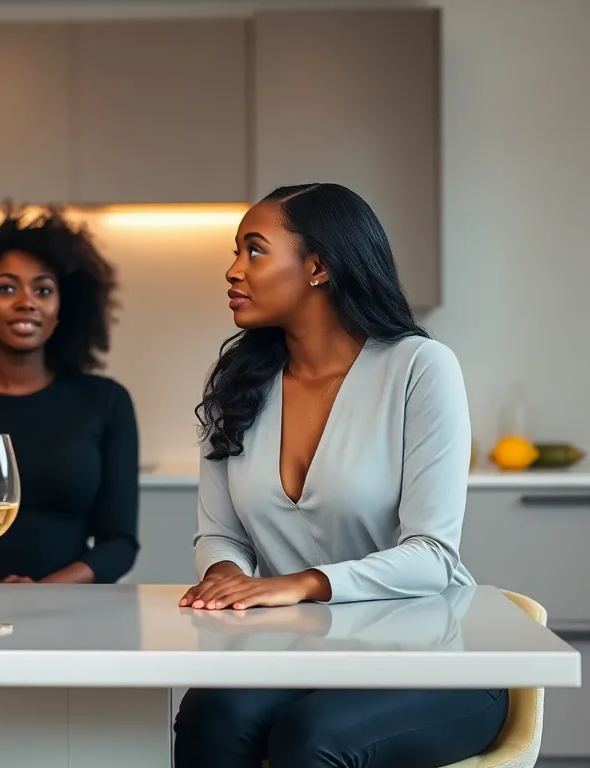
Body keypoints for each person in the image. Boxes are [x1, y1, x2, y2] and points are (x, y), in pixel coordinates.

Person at [173, 183, 507, 768]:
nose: (233, 270)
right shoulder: (236, 383)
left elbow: (433, 555)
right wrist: (226, 575)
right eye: (236, 251)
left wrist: (297, 583)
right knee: (210, 716)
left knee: (313, 739)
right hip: (300, 649)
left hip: (434, 656)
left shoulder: (419, 368)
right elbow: (220, 533)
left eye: (254, 251)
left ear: (318, 267)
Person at [0, 206, 139, 584]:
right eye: (7, 288)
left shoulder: (105, 402)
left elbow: (118, 544)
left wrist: (41, 593)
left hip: (70, 614)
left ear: (61, 309)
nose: (27, 302)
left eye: (43, 289)